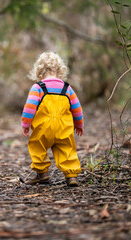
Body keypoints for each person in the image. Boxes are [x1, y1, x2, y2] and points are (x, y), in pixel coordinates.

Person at [21, 52, 84, 187]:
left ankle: (42, 174)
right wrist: (79, 124)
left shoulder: (38, 87)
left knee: (37, 147)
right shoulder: (67, 88)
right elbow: (77, 108)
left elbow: (29, 108)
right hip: (64, 129)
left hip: (43, 129)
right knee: (67, 149)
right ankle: (71, 176)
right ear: (60, 70)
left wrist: (26, 124)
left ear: (38, 70)